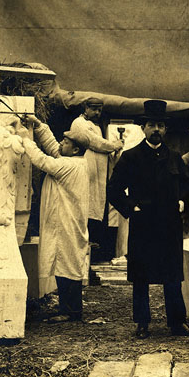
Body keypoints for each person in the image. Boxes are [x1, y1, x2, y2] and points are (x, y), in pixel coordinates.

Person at [107, 100, 189, 338]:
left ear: (165, 129)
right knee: (141, 275)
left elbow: (188, 185)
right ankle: (142, 323)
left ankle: (177, 323)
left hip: (169, 224)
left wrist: (181, 200)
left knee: (172, 275)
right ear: (143, 128)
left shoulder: (175, 158)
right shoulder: (130, 157)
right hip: (144, 224)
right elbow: (113, 190)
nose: (156, 129)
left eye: (160, 125)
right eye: (151, 125)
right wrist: (131, 208)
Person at [19, 115, 91, 322]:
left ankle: (72, 311)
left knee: (68, 264)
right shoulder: (71, 160)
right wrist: (39, 126)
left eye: (66, 142)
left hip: (67, 222)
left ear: (75, 149)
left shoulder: (71, 165)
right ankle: (66, 309)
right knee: (64, 263)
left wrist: (25, 138)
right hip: (64, 220)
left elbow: (42, 160)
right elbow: (53, 148)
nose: (61, 143)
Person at [70, 97, 124, 260]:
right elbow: (93, 142)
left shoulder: (97, 127)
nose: (97, 113)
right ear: (85, 108)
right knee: (85, 208)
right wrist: (113, 145)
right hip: (85, 173)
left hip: (98, 177)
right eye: (94, 109)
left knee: (95, 210)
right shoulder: (78, 124)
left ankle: (93, 254)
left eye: (99, 110)